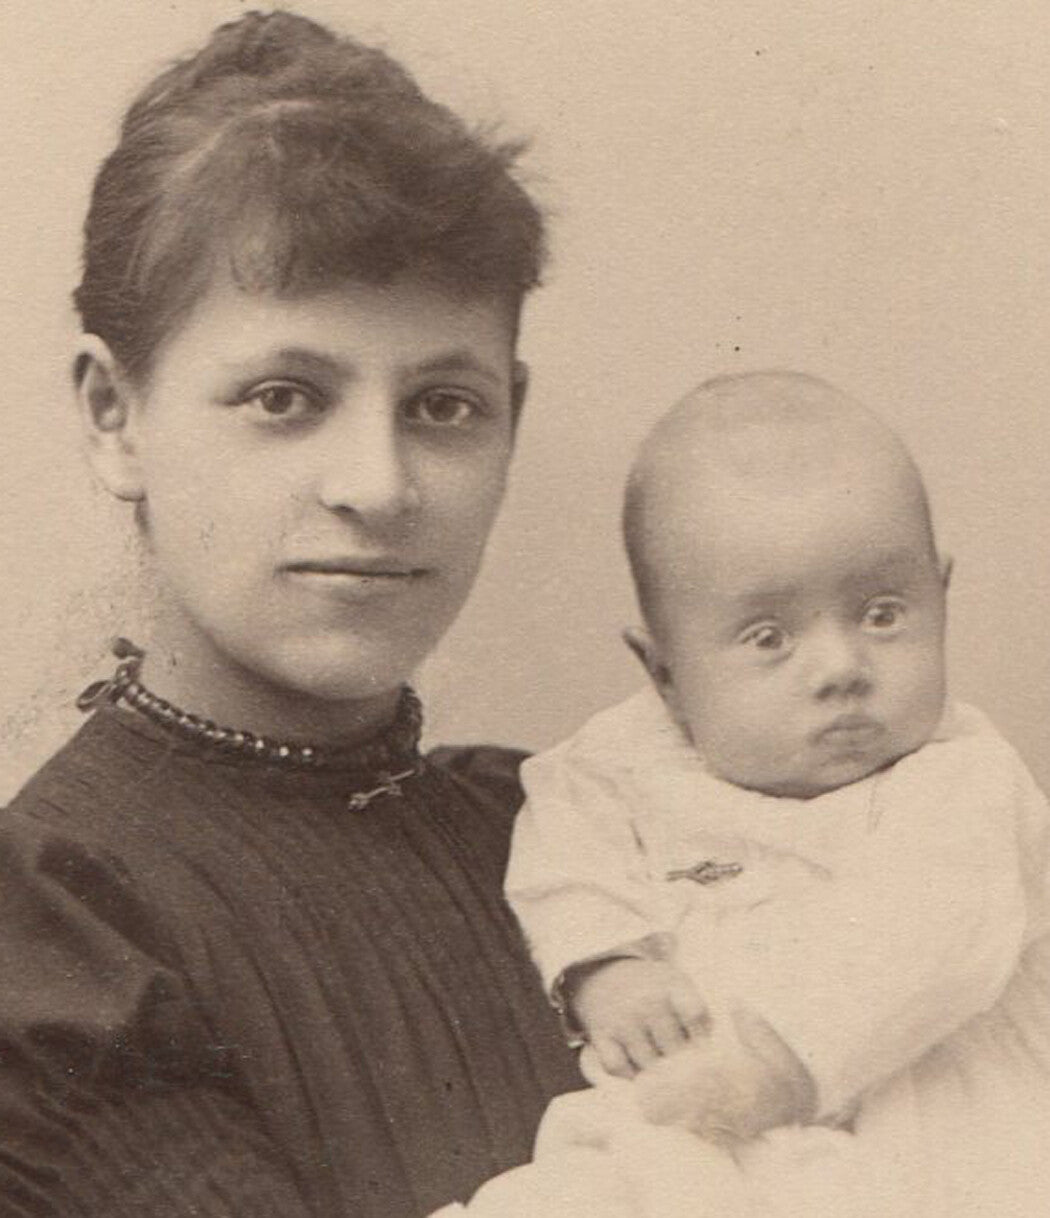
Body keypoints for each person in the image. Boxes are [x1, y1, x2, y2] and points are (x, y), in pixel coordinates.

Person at [0, 11, 583, 1216]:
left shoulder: (566, 830)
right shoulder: (57, 925)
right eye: (285, 396)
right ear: (116, 414)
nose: (378, 484)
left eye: (443, 405)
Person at [449, 372, 1050, 1216]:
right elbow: (564, 860)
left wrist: (784, 1063)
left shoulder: (963, 780)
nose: (842, 667)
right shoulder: (614, 768)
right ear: (664, 672)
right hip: (697, 1119)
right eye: (769, 638)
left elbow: (938, 938)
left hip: (933, 1119)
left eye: (883, 613)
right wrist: (605, 965)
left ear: (940, 596)